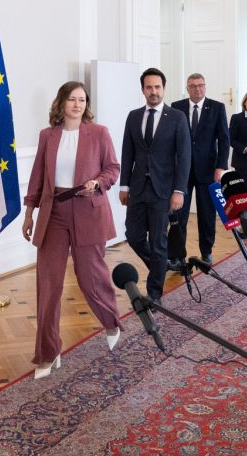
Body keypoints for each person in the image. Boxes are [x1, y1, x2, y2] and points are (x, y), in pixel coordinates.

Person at [22, 82, 121, 377]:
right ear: (61, 103)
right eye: (72, 99)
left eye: (82, 100)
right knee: (48, 285)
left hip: (88, 211)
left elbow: (112, 168)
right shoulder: (48, 136)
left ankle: (112, 321)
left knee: (91, 279)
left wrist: (98, 183)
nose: (77, 104)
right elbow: (37, 177)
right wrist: (29, 214)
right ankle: (48, 353)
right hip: (53, 215)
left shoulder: (99, 133)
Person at [119, 68, 191, 302]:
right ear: (143, 90)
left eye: (157, 87)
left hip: (164, 190)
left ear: (164, 88)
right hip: (138, 188)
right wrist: (124, 186)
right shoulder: (133, 116)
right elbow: (128, 152)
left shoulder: (177, 117)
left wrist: (179, 190)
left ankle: (154, 294)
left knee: (159, 241)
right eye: (149, 87)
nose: (153, 91)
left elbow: (184, 157)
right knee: (134, 235)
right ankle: (161, 265)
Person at [171, 73, 230, 268]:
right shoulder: (176, 107)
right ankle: (177, 255)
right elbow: (171, 140)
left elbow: (224, 140)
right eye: (193, 86)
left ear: (205, 87)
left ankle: (207, 252)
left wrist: (221, 167)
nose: (197, 89)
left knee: (206, 214)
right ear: (187, 89)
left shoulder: (217, 107)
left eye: (201, 85)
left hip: (208, 170)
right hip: (183, 171)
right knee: (179, 215)